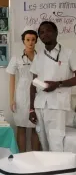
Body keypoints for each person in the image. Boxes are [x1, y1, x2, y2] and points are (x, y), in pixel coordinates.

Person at [29, 21, 76, 152]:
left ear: (56, 32)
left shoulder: (69, 53)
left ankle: (59, 171)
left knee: (56, 144)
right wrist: (31, 109)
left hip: (57, 106)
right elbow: (33, 84)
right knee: (43, 144)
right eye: (41, 33)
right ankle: (48, 172)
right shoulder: (38, 57)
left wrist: (58, 84)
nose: (45, 34)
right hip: (40, 106)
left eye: (48, 30)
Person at [6, 27, 40, 152]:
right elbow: (12, 80)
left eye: (33, 40)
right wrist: (11, 99)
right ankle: (22, 156)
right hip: (21, 94)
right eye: (28, 40)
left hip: (38, 93)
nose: (30, 42)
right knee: (21, 126)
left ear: (36, 41)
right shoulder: (17, 58)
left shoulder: (41, 57)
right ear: (23, 41)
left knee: (36, 126)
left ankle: (35, 156)